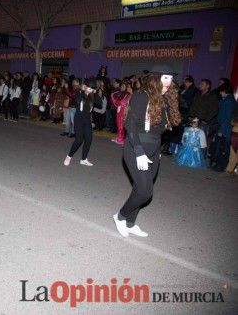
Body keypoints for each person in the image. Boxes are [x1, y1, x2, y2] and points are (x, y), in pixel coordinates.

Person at [113, 67, 181, 237]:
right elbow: (130, 125)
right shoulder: (141, 96)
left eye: (170, 78)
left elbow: (158, 130)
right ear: (155, 79)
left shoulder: (164, 100)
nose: (168, 82)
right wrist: (139, 151)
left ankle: (130, 223)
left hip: (153, 151)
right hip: (136, 149)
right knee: (145, 191)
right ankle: (120, 216)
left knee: (139, 189)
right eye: (165, 77)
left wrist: (157, 149)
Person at [63, 78, 101, 167]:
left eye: (92, 89)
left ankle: (83, 159)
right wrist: (83, 91)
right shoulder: (79, 93)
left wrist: (97, 94)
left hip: (87, 120)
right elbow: (77, 99)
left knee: (89, 139)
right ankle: (69, 156)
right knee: (79, 140)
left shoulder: (92, 96)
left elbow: (99, 103)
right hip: (79, 119)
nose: (90, 90)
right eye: (89, 88)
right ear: (85, 87)